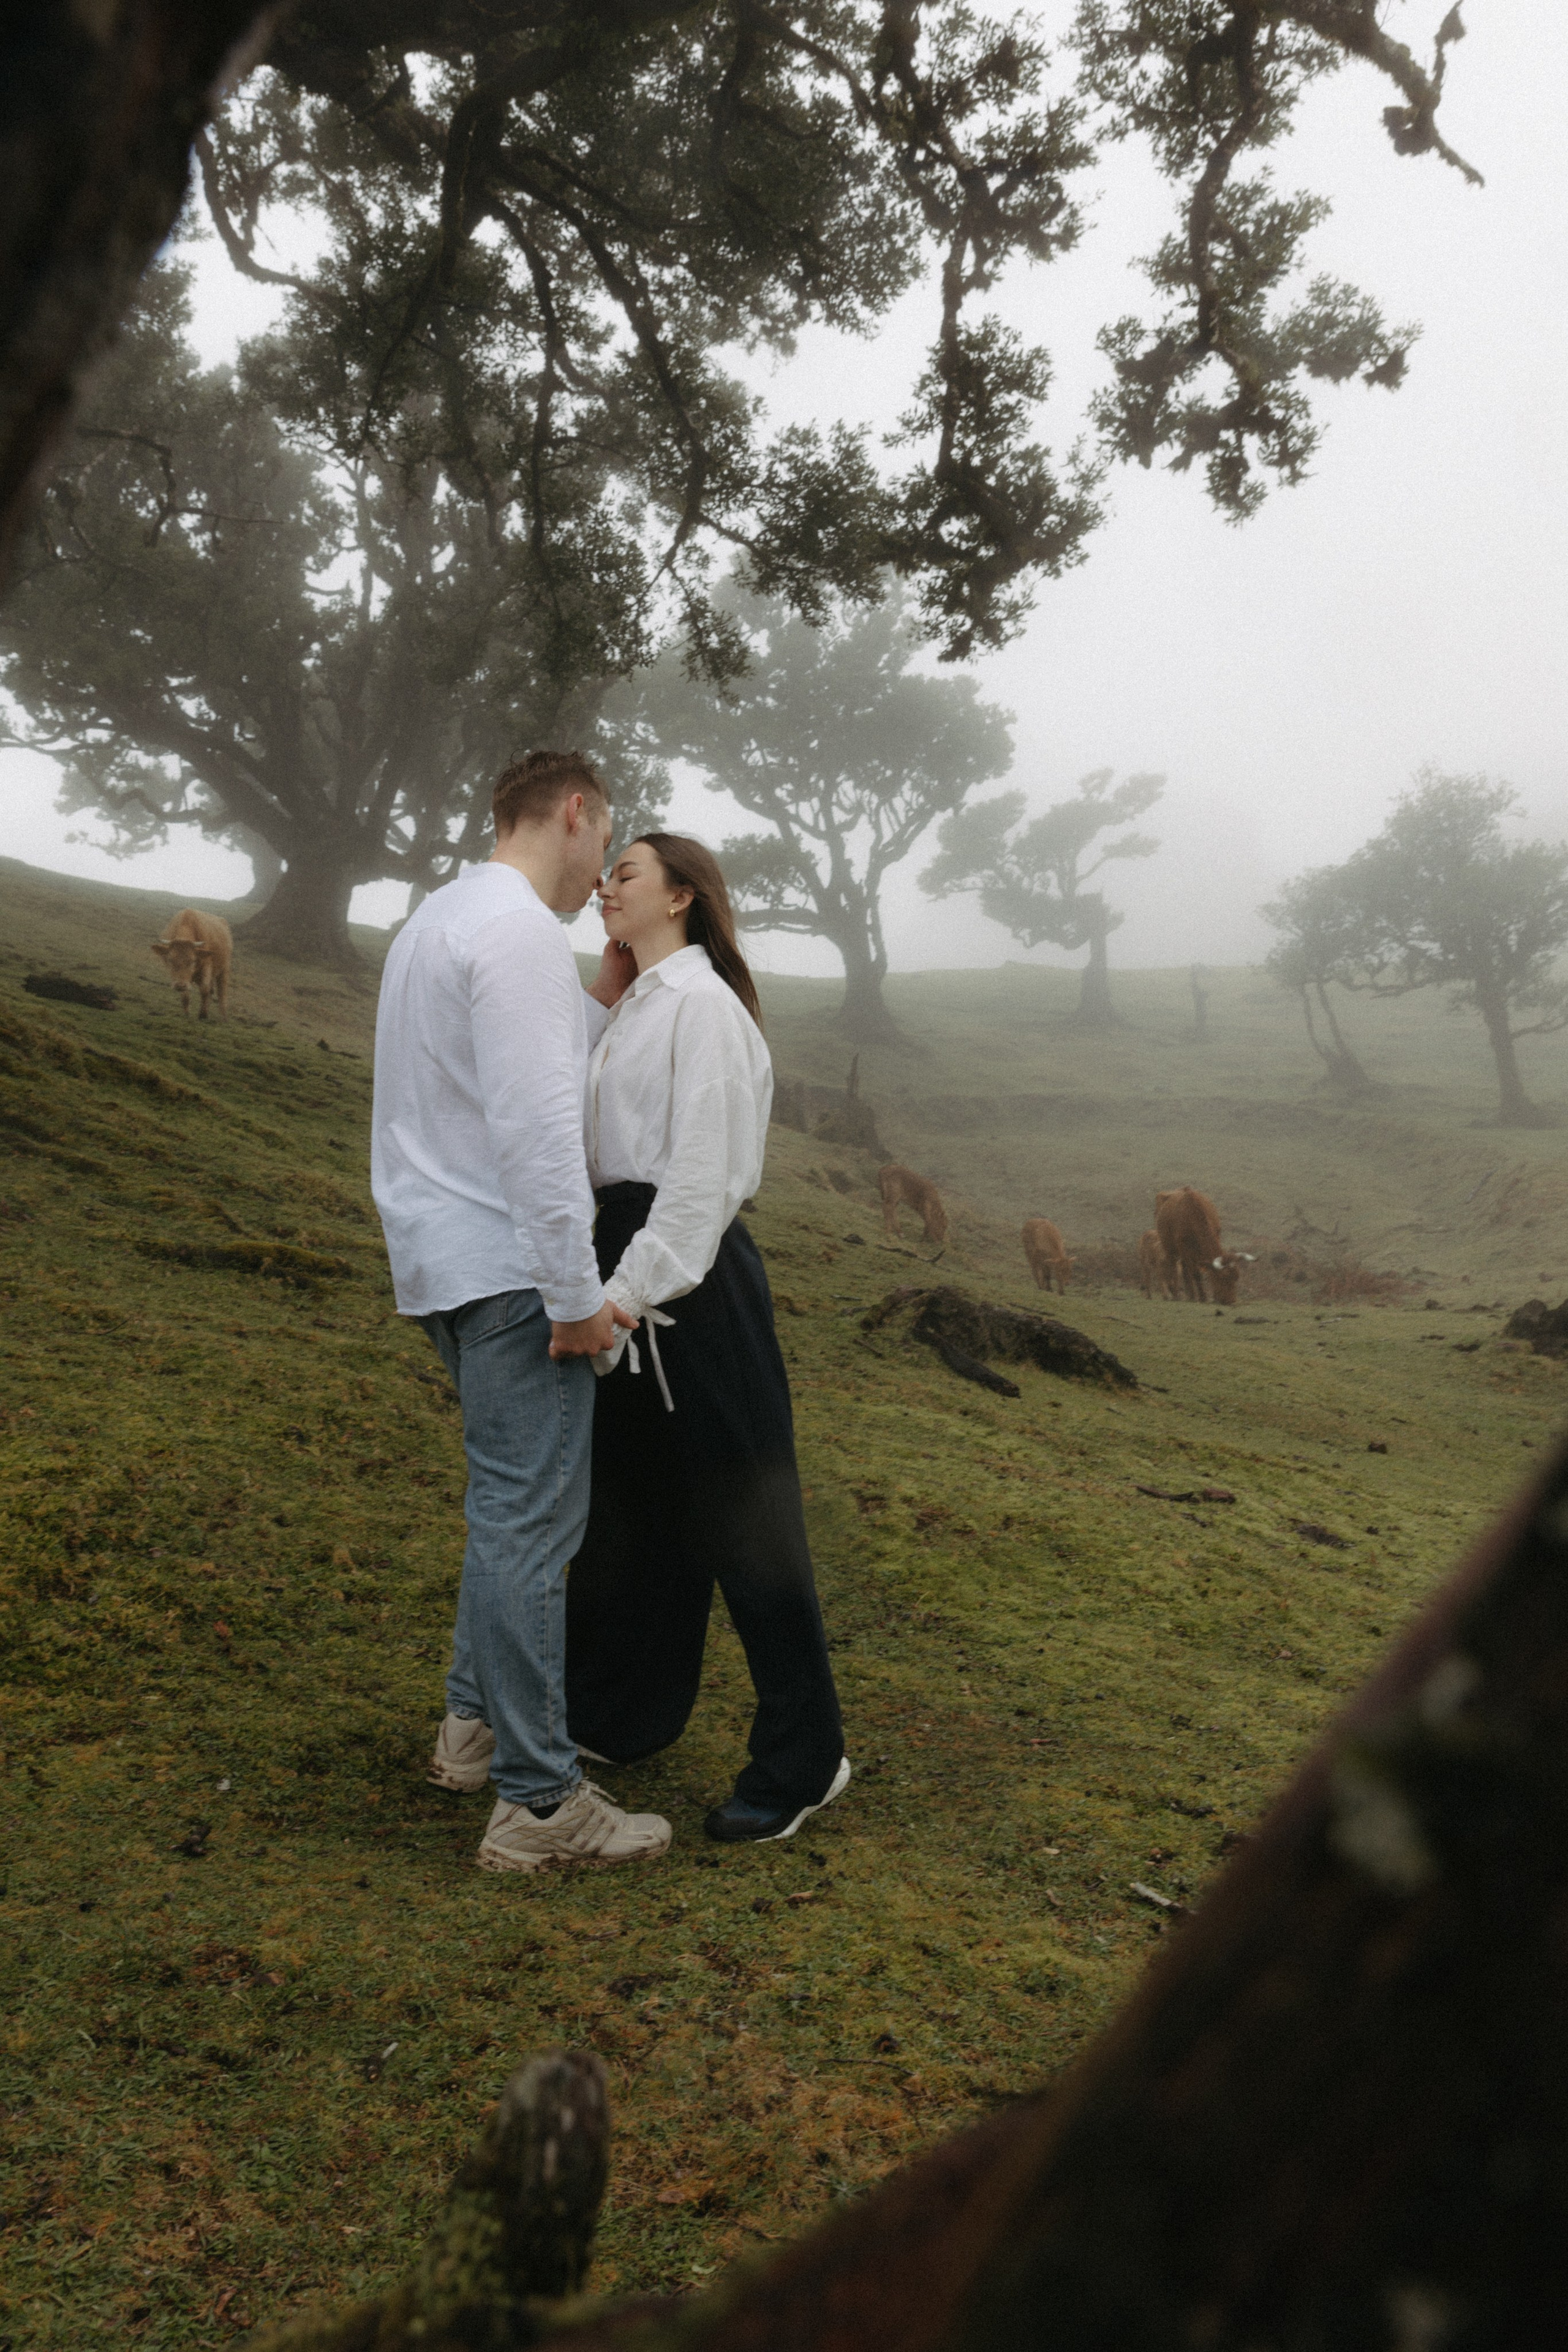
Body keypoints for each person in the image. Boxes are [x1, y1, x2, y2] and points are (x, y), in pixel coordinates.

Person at [371, 751, 671, 1875]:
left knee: (505, 1511)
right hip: (514, 1275)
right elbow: (541, 1139)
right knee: (533, 1525)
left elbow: (467, 1083)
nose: (603, 871)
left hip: (441, 1262)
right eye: (606, 842)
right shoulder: (518, 940)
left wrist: (595, 1001)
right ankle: (540, 1805)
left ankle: (472, 1728)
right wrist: (574, 1297)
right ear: (578, 813)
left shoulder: (439, 921)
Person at [565, 833, 850, 1842]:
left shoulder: (704, 1008)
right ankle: (618, 1716)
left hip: (686, 1280)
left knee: (748, 1520)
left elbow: (703, 1176)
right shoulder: (635, 1005)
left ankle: (805, 1758)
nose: (604, 885)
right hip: (619, 1260)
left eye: (627, 872)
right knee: (634, 1509)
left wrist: (628, 1293)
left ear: (683, 895)